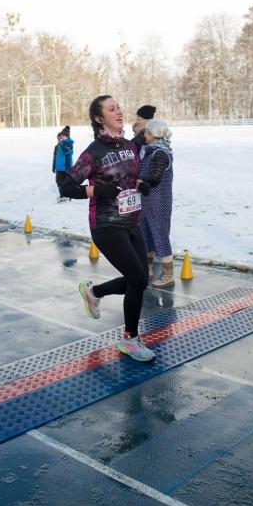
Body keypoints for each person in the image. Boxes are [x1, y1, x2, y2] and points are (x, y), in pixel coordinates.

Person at [60, 95, 155, 362]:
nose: (119, 111)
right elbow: (66, 187)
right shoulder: (94, 152)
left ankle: (94, 292)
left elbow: (129, 177)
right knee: (137, 278)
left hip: (131, 221)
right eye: (112, 109)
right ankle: (130, 340)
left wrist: (142, 183)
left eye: (119, 107)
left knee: (140, 281)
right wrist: (96, 190)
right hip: (106, 225)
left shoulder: (128, 145)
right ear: (99, 118)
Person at [139, 119, 175, 288]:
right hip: (147, 200)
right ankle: (148, 269)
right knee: (146, 233)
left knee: (160, 236)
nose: (145, 135)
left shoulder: (160, 153)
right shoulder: (149, 151)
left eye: (147, 132)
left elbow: (155, 177)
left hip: (159, 200)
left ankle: (168, 275)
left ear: (154, 134)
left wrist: (141, 182)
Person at [52, 125, 74, 202]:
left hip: (66, 167)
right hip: (59, 168)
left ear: (67, 137)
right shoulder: (58, 146)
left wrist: (62, 144)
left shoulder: (69, 144)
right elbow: (55, 157)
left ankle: (67, 196)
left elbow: (67, 152)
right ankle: (62, 195)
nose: (60, 139)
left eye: (62, 137)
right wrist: (54, 166)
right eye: (59, 138)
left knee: (65, 182)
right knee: (58, 181)